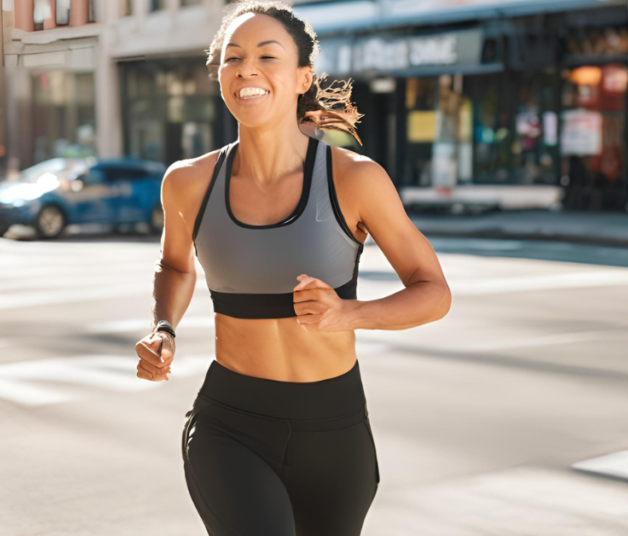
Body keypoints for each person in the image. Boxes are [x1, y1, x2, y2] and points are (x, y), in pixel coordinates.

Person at [133, 2, 452, 535]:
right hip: (229, 424)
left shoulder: (354, 179)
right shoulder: (187, 181)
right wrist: (164, 326)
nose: (247, 69)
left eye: (266, 55)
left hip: (334, 429)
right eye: (233, 58)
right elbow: (175, 266)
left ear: (302, 77)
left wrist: (347, 314)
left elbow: (433, 291)